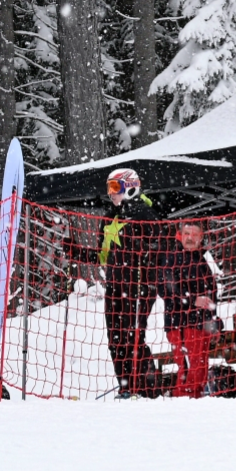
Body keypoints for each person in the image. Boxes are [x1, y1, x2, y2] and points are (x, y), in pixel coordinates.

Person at [63, 168, 169, 398]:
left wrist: (147, 262)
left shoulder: (145, 215)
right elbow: (104, 257)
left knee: (133, 335)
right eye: (109, 188)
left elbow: (160, 249)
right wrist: (77, 252)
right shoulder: (110, 218)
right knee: (115, 338)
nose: (111, 193)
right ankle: (126, 386)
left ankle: (144, 388)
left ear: (130, 188)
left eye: (116, 188)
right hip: (116, 285)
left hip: (139, 285)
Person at [160, 222, 217, 398]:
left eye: (194, 234)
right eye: (186, 234)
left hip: (202, 325)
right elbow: (166, 291)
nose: (190, 238)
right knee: (188, 373)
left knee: (199, 372)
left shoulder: (201, 260)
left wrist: (214, 320)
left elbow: (211, 294)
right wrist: (193, 301)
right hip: (181, 324)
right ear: (181, 235)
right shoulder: (173, 258)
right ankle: (182, 409)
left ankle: (195, 409)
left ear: (201, 238)